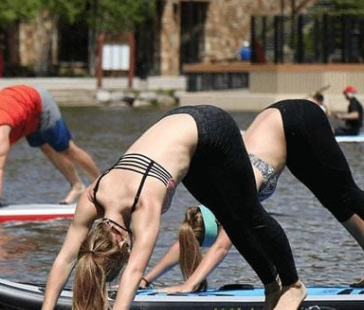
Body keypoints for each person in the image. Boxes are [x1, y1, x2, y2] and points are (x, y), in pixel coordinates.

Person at [11, 104, 305, 310]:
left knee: (247, 214)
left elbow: (135, 269)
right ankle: (271, 290)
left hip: (213, 127)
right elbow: (65, 258)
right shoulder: (91, 196)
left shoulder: (143, 203)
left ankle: (292, 285)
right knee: (229, 216)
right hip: (179, 126)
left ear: (121, 241)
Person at [146, 98, 364, 292]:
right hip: (280, 129)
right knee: (335, 203)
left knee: (346, 196)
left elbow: (221, 247)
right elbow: (187, 240)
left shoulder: (231, 200)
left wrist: (190, 283)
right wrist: (146, 279)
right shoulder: (213, 199)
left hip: (296, 116)